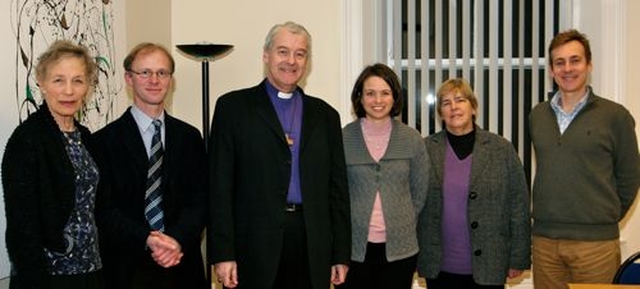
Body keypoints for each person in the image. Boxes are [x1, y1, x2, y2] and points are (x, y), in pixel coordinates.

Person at [208, 21, 351, 289]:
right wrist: (223, 253)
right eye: (283, 51)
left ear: (307, 60)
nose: (291, 61)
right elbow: (219, 187)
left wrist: (340, 254)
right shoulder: (233, 108)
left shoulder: (326, 116)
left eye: (300, 53)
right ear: (266, 55)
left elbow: (338, 192)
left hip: (311, 245)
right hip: (253, 247)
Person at [529, 29, 640, 289]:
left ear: (589, 65)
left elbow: (630, 177)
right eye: (560, 62)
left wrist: (602, 217)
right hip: (545, 243)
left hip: (595, 245)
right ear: (552, 70)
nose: (568, 68)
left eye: (575, 60)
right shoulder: (538, 116)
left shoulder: (615, 116)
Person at [92, 43, 208, 289]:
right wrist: (148, 239)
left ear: (170, 80)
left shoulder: (190, 137)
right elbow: (103, 209)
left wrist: (175, 241)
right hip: (126, 268)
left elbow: (200, 201)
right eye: (145, 72)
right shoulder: (103, 141)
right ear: (129, 78)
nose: (154, 80)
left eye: (162, 72)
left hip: (182, 264)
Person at [2, 40, 104, 289]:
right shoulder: (27, 139)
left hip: (91, 271)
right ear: (42, 83)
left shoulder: (87, 138)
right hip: (47, 277)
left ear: (87, 87)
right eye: (58, 80)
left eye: (78, 80)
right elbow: (21, 226)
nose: (68, 91)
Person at [417, 78, 531, 289]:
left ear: (473, 107)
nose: (454, 107)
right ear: (440, 113)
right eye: (446, 103)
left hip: (490, 265)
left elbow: (519, 205)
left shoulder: (501, 149)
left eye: (460, 100)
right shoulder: (425, 149)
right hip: (439, 266)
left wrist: (518, 257)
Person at [337, 63, 428, 289]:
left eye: (385, 93)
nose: (378, 100)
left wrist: (401, 220)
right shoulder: (343, 138)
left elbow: (420, 193)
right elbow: (335, 194)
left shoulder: (411, 139)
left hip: (400, 251)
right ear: (359, 97)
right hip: (352, 251)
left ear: (395, 97)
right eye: (370, 93)